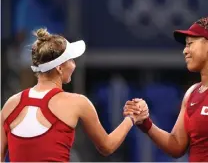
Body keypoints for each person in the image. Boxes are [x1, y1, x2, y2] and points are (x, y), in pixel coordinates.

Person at [124, 11, 208, 161]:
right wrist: (145, 123)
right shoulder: (192, 92)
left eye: (190, 44)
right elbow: (176, 146)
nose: (185, 51)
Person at [0, 28, 148, 162]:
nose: (74, 65)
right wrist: (131, 118)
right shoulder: (78, 103)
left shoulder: (10, 105)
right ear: (59, 68)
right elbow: (107, 147)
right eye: (70, 60)